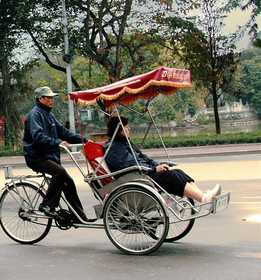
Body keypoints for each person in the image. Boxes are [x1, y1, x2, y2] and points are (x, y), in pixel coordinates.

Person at [103, 116, 221, 203]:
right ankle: (203, 198)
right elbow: (129, 166)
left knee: (177, 172)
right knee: (172, 176)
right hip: (138, 177)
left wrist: (158, 165)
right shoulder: (113, 148)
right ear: (118, 129)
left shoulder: (125, 143)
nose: (129, 128)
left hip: (144, 173)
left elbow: (144, 158)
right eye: (126, 126)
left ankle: (202, 196)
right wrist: (154, 169)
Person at [23, 86, 93, 221]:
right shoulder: (35, 115)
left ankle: (78, 216)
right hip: (37, 157)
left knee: (69, 182)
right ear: (40, 99)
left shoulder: (49, 115)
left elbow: (65, 133)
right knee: (59, 172)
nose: (51, 100)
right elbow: (38, 136)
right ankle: (46, 205)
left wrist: (85, 140)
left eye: (52, 97)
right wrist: (57, 143)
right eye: (48, 97)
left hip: (50, 157)